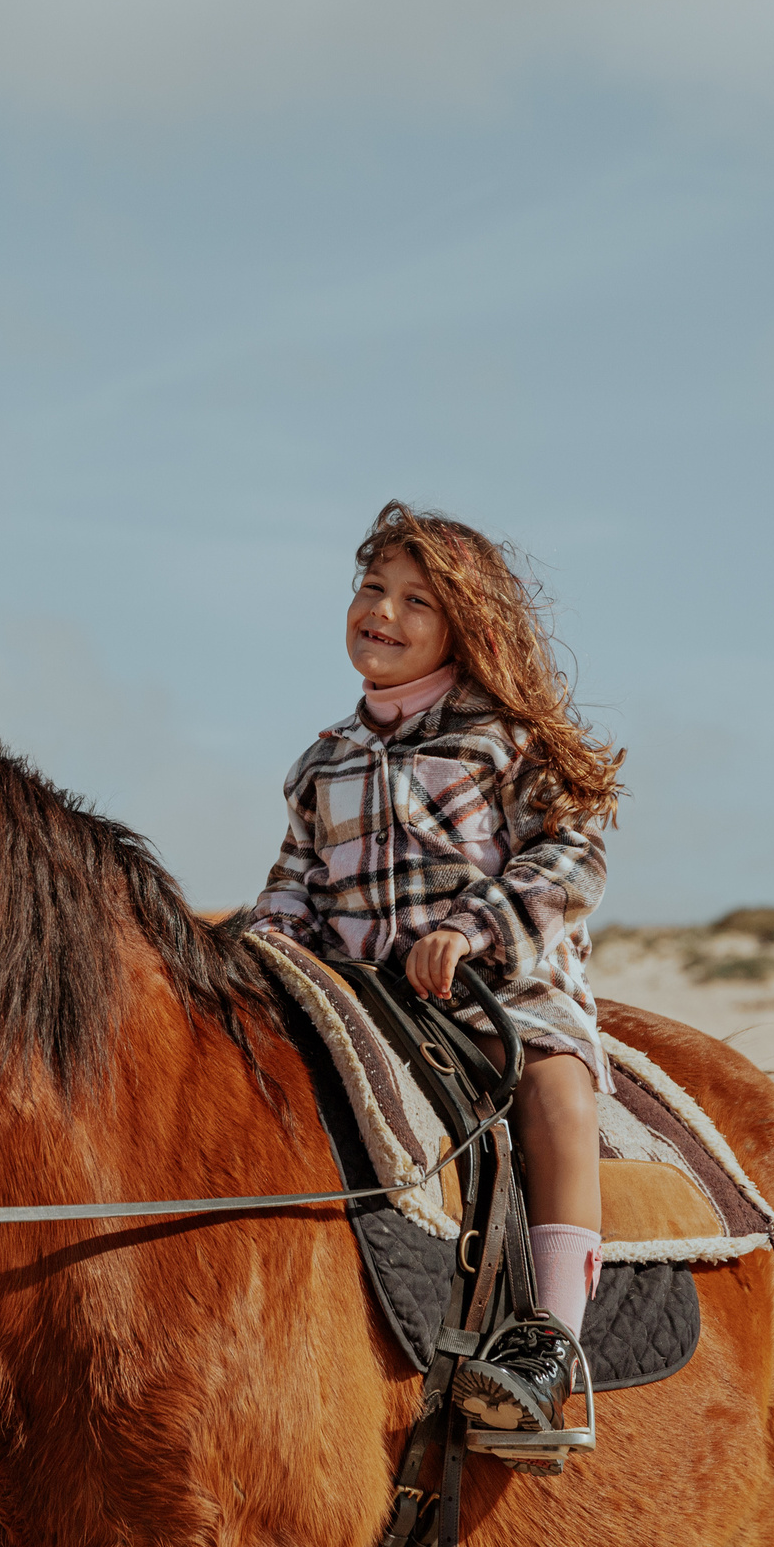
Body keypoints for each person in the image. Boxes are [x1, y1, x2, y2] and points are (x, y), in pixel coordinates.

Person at [250, 500, 625, 1438]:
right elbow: (292, 887)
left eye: (417, 600)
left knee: (556, 1094)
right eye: (373, 588)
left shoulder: (504, 740)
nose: (384, 610)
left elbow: (573, 856)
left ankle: (548, 1345)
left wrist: (473, 928)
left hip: (502, 993)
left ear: (464, 626)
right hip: (364, 1002)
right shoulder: (321, 762)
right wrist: (263, 944)